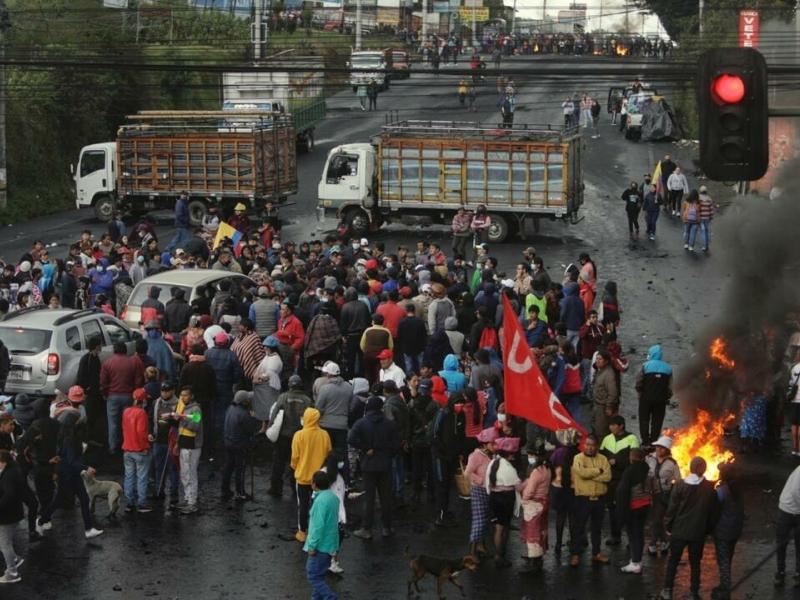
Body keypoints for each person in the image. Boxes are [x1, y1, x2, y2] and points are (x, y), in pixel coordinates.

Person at [659, 457, 720, 600]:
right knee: (695, 563)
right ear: (704, 469)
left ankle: (667, 591)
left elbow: (672, 508)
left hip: (679, 530)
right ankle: (694, 593)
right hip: (697, 532)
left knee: (673, 561)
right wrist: (708, 530)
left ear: (691, 468)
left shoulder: (680, 485)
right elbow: (713, 513)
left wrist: (668, 526)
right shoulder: (709, 488)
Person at [349, 396, 400, 540]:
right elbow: (396, 444)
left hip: (368, 464)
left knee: (369, 498)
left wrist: (365, 448)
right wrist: (388, 454)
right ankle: (387, 527)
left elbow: (351, 439)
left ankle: (367, 528)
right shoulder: (389, 424)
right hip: (385, 464)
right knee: (385, 497)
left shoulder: (361, 423)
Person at [569, 434, 611, 567]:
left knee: (597, 528)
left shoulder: (603, 459)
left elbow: (608, 477)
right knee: (578, 527)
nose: (589, 447)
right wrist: (598, 471)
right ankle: (575, 554)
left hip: (599, 499)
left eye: (592, 445)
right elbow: (581, 473)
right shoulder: (578, 458)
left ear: (597, 446)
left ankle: (596, 553)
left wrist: (590, 475)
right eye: (587, 444)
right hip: (583, 498)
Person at [291, 408, 332, 543]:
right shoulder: (324, 435)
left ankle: (302, 532)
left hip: (303, 477)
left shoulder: (299, 435)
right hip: (319, 477)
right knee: (319, 506)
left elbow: (295, 457)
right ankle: (318, 531)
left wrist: (296, 468)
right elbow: (328, 454)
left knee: (303, 506)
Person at [100, 341, 143, 454]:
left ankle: (113, 447)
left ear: (114, 350)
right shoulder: (133, 362)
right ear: (125, 350)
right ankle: (128, 445)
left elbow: (103, 383)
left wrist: (106, 394)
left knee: (113, 423)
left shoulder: (107, 363)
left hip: (113, 396)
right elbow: (138, 380)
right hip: (129, 396)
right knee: (128, 422)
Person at [615, 447, 653, 574]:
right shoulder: (647, 469)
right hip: (645, 506)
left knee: (633, 535)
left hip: (633, 507)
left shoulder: (630, 471)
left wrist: (620, 511)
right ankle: (638, 560)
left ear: (632, 457)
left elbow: (622, 491)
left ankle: (635, 563)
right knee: (640, 533)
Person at [304, 470, 340, 600]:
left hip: (320, 547)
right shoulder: (333, 498)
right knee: (319, 576)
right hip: (330, 545)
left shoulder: (320, 501)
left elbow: (317, 527)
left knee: (313, 576)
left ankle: (331, 598)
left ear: (314, 484)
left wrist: (311, 546)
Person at [486, 436, 521, 569]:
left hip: (494, 497)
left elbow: (487, 483)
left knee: (498, 527)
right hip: (506, 499)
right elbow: (518, 487)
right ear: (509, 454)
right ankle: (500, 556)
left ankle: (498, 555)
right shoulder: (509, 468)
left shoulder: (492, 463)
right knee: (504, 527)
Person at [315, 362, 352, 482]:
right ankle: (344, 481)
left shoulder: (325, 389)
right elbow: (350, 405)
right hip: (342, 425)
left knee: (325, 453)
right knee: (342, 454)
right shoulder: (348, 387)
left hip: (326, 425)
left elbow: (318, 407)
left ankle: (325, 479)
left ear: (328, 374)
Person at [464, 427, 497, 560]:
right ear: (485, 444)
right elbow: (467, 473)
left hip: (488, 491)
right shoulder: (476, 456)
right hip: (478, 490)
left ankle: (480, 546)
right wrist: (481, 481)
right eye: (493, 443)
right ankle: (471, 552)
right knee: (479, 520)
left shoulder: (492, 455)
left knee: (485, 519)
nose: (495, 446)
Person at [712, 463, 744, 600]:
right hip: (735, 529)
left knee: (723, 559)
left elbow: (715, 507)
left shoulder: (722, 491)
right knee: (728, 556)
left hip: (723, 530)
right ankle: (725, 583)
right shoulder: (737, 489)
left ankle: (725, 587)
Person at [221, 391, 260, 502]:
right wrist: (253, 417)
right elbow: (251, 429)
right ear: (244, 402)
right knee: (240, 469)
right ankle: (240, 493)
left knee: (229, 466)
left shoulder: (230, 409)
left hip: (228, 442)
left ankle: (225, 489)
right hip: (239, 445)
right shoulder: (244, 414)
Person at [519, 443, 551, 574]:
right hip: (543, 503)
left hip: (533, 505)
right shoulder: (547, 469)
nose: (529, 457)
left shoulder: (537, 472)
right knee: (540, 531)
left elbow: (530, 491)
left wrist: (523, 499)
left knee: (532, 534)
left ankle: (534, 563)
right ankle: (538, 559)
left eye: (531, 455)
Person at [646, 435, 680, 556]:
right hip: (649, 493)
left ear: (667, 450)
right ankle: (665, 541)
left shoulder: (672, 464)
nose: (659, 449)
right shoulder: (649, 458)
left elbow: (678, 480)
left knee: (657, 519)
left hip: (663, 495)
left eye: (662, 448)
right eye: (657, 447)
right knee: (656, 519)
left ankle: (653, 544)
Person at [122, 388, 154, 513]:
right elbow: (141, 432)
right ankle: (142, 504)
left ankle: (129, 504)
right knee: (142, 478)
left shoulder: (126, 411)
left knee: (129, 477)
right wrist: (145, 446)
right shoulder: (141, 413)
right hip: (140, 450)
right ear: (143, 400)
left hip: (127, 449)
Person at [635, 344, 673, 445]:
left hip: (645, 399)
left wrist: (640, 392)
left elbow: (639, 382)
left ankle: (645, 442)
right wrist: (667, 396)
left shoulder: (645, 366)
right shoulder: (668, 368)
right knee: (657, 422)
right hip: (661, 401)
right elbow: (670, 387)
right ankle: (653, 442)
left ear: (651, 354)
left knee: (644, 420)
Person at [175, 386, 203, 514]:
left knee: (191, 474)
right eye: (181, 395)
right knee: (184, 473)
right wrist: (177, 443)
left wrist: (182, 418)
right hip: (184, 444)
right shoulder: (183, 408)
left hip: (193, 446)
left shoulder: (196, 409)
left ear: (191, 396)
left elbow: (195, 426)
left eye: (185, 395)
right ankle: (187, 498)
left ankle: (192, 503)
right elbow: (181, 429)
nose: (183, 397)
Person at [0, 449, 24, 584]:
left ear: (3, 462)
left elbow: (9, 495)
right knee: (4, 542)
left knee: (5, 544)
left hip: (8, 516)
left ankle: (12, 573)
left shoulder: (8, 475)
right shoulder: (11, 470)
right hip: (12, 514)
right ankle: (15, 559)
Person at [152, 381, 179, 500]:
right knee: (158, 467)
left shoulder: (179, 404)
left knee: (173, 468)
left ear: (173, 391)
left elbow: (181, 423)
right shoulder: (156, 402)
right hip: (158, 440)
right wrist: (150, 433)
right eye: (162, 391)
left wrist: (171, 417)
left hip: (172, 441)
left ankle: (174, 492)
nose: (164, 393)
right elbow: (150, 418)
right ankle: (159, 490)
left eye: (167, 391)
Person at [775, 464, 800, 588]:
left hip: (798, 510)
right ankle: (780, 572)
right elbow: (795, 491)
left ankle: (798, 573)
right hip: (786, 509)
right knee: (781, 544)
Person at [592, 350, 619, 439]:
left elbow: (613, 392)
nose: (597, 361)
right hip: (597, 405)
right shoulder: (600, 371)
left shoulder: (609, 374)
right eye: (597, 359)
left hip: (603, 407)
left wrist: (609, 406)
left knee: (602, 431)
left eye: (600, 359)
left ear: (606, 361)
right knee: (596, 428)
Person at [698, 185, 715, 252]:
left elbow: (698, 208)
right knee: (707, 231)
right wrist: (711, 216)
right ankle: (707, 245)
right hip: (707, 217)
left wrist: (697, 216)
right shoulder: (709, 199)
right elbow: (711, 209)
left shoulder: (699, 198)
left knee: (703, 231)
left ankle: (704, 246)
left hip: (701, 217)